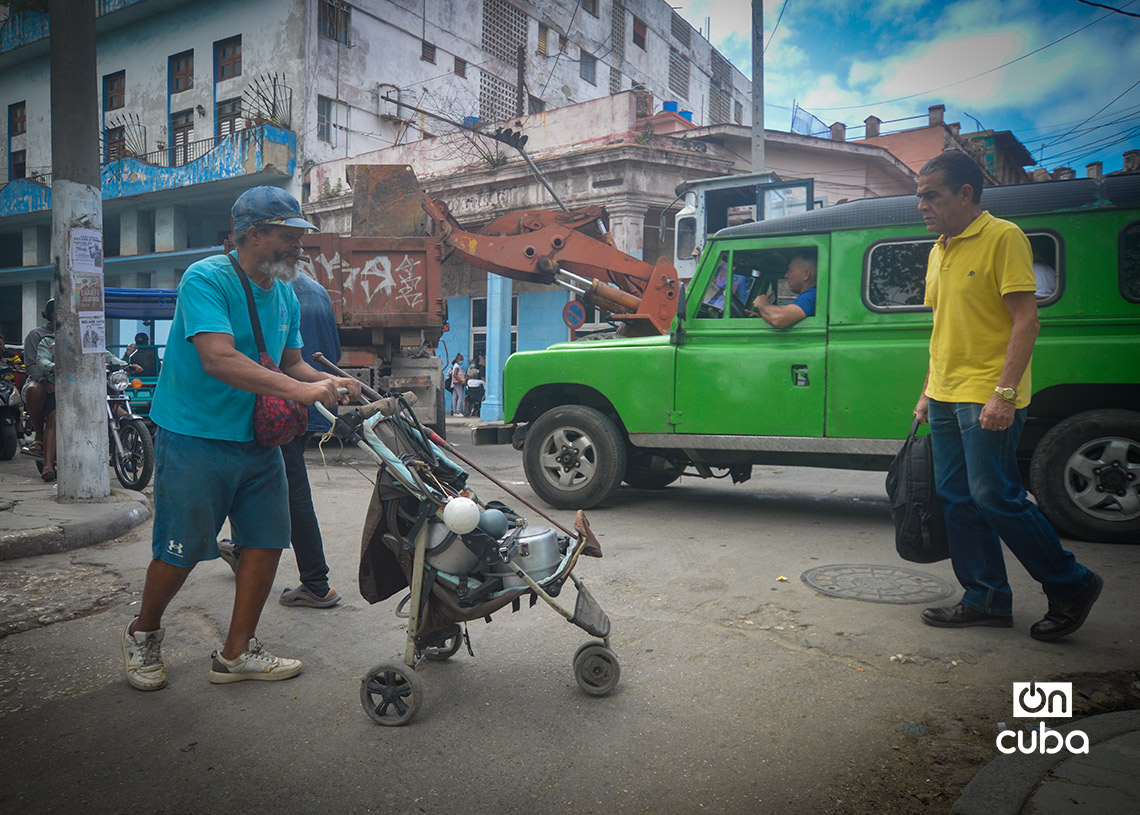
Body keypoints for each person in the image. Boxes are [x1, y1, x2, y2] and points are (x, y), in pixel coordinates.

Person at [121, 186, 360, 692]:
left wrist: (332, 384)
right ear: (253, 234)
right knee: (179, 549)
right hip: (195, 437)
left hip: (259, 440)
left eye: (301, 237)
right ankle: (143, 634)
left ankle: (236, 652)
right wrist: (302, 389)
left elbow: (292, 360)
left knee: (266, 541)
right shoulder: (207, 279)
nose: (300, 248)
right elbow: (219, 358)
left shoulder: (287, 293)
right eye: (289, 237)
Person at [912, 150, 1100, 641]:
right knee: (956, 498)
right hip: (948, 394)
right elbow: (942, 329)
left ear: (965, 194)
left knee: (996, 495)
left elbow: (1026, 320)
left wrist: (1004, 393)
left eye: (931, 195)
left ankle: (1072, 582)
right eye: (919, 197)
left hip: (987, 393)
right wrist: (928, 390)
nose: (921, 206)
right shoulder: (938, 250)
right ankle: (986, 598)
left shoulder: (1003, 237)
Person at [219, 271, 343, 609]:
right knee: (271, 482)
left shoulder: (271, 293)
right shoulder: (317, 292)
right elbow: (328, 351)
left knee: (289, 489)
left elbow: (277, 362)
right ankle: (243, 549)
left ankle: (317, 582)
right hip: (302, 403)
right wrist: (328, 382)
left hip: (271, 406)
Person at [34, 335, 140, 482]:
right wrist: (51, 366)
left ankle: (122, 455)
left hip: (93, 387)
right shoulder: (49, 340)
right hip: (64, 387)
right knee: (55, 417)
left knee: (122, 415)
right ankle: (47, 464)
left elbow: (107, 356)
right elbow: (41, 360)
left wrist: (125, 365)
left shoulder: (89, 337)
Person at [21, 299, 55, 456]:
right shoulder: (37, 335)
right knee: (35, 390)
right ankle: (39, 435)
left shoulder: (76, 333)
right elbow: (31, 365)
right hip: (41, 378)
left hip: (69, 380)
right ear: (51, 315)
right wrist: (44, 381)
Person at [749, 253, 817, 328]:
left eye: (790, 270)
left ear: (805, 274)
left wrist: (762, 303)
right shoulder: (810, 295)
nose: (786, 275)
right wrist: (765, 316)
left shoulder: (812, 295)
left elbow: (778, 318)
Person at [449, 352, 465, 417]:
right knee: (460, 397)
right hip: (457, 383)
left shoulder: (456, 365)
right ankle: (458, 411)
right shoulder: (457, 366)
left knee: (454, 397)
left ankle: (454, 410)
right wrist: (460, 380)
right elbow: (455, 375)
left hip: (454, 383)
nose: (462, 361)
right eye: (461, 359)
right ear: (457, 359)